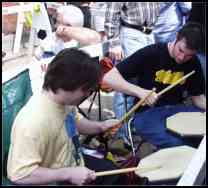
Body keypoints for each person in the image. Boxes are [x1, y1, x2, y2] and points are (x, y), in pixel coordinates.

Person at [7, 48, 125, 185]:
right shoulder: (33, 121)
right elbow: (19, 174)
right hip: (55, 180)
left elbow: (76, 122)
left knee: (114, 174)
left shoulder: (63, 102)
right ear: (71, 84)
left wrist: (101, 126)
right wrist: (68, 174)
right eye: (87, 90)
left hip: (73, 161)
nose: (87, 95)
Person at [103, 22, 206, 149]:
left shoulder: (193, 62)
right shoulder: (152, 53)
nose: (182, 57)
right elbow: (109, 78)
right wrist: (140, 92)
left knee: (201, 139)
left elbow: (198, 98)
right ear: (177, 37)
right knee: (177, 144)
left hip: (177, 109)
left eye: (189, 55)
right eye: (181, 50)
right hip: (147, 113)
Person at [104, 2, 161, 144]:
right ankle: (122, 134)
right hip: (131, 34)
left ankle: (133, 127)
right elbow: (112, 13)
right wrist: (114, 43)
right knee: (127, 88)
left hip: (149, 33)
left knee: (145, 84)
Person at [35, 4, 101, 60]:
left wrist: (65, 30)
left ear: (69, 26)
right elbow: (37, 56)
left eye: (58, 22)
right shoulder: (53, 37)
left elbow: (95, 39)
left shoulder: (80, 43)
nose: (55, 26)